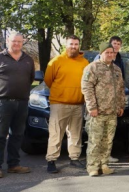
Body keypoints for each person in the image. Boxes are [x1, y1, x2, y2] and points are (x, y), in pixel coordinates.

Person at [44, 35, 88, 173]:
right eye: (71, 44)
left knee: (75, 133)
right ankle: (51, 160)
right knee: (56, 133)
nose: (73, 46)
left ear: (78, 46)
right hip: (59, 103)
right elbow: (48, 80)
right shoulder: (56, 61)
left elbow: (87, 82)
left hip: (78, 104)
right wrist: (62, 92)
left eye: (76, 44)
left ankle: (74, 159)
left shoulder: (85, 63)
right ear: (66, 45)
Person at [81, 42, 125, 177]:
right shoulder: (92, 68)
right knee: (95, 141)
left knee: (108, 140)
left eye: (112, 52)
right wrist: (92, 107)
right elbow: (87, 88)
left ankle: (104, 165)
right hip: (97, 112)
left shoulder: (117, 69)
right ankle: (93, 167)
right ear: (101, 53)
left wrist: (121, 105)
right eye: (107, 52)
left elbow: (120, 89)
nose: (110, 54)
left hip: (112, 112)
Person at [0, 33, 35, 178]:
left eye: (19, 42)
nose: (16, 44)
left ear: (23, 42)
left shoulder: (28, 60)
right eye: (14, 41)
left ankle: (14, 164)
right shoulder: (1, 57)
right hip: (3, 102)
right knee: (0, 135)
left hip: (22, 102)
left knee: (17, 134)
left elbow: (31, 78)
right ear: (8, 41)